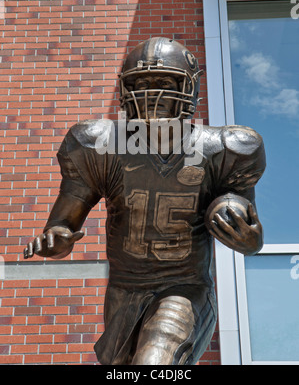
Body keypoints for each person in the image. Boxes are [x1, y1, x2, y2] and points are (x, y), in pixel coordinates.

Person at [23, 37, 266, 365]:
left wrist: (247, 236)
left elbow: (247, 231)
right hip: (124, 292)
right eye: (143, 83)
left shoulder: (224, 150)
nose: (154, 93)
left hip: (184, 287)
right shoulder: (98, 145)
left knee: (154, 362)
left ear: (189, 87)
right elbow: (63, 226)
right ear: (126, 89)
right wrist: (57, 240)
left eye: (165, 82)